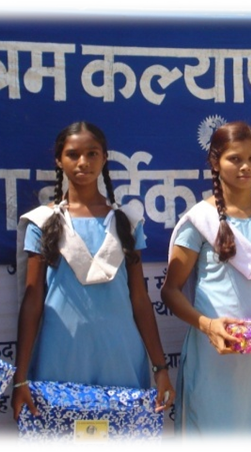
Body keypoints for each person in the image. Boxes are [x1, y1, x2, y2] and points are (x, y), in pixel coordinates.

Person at [11, 123, 174, 430]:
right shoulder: (42, 222)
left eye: (92, 154)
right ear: (59, 160)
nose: (83, 162)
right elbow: (32, 301)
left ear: (104, 158)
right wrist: (20, 378)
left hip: (121, 354)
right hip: (59, 353)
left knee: (120, 440)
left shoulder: (127, 221)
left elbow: (140, 299)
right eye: (73, 154)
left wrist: (160, 367)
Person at [160, 121, 251, 448]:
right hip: (219, 350)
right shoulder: (199, 220)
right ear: (215, 162)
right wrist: (208, 325)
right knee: (218, 433)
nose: (245, 167)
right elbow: (170, 290)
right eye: (235, 159)